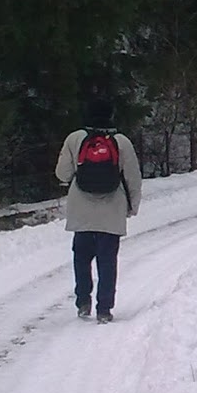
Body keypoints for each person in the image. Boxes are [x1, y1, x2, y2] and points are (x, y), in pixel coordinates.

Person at [55, 98, 142, 323]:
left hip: (80, 209)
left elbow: (62, 175)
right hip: (112, 209)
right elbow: (133, 178)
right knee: (107, 261)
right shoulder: (122, 142)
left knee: (81, 258)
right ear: (111, 115)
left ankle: (83, 301)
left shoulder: (74, 139)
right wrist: (132, 206)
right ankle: (104, 309)